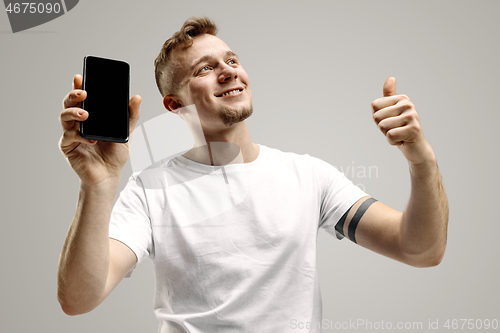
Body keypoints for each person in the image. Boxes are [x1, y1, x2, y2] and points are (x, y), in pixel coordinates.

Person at [57, 17, 448, 332]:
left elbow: (421, 249)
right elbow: (78, 299)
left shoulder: (308, 176)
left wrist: (421, 159)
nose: (228, 72)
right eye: (205, 69)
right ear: (175, 105)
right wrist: (98, 184)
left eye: (231, 60)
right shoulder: (150, 190)